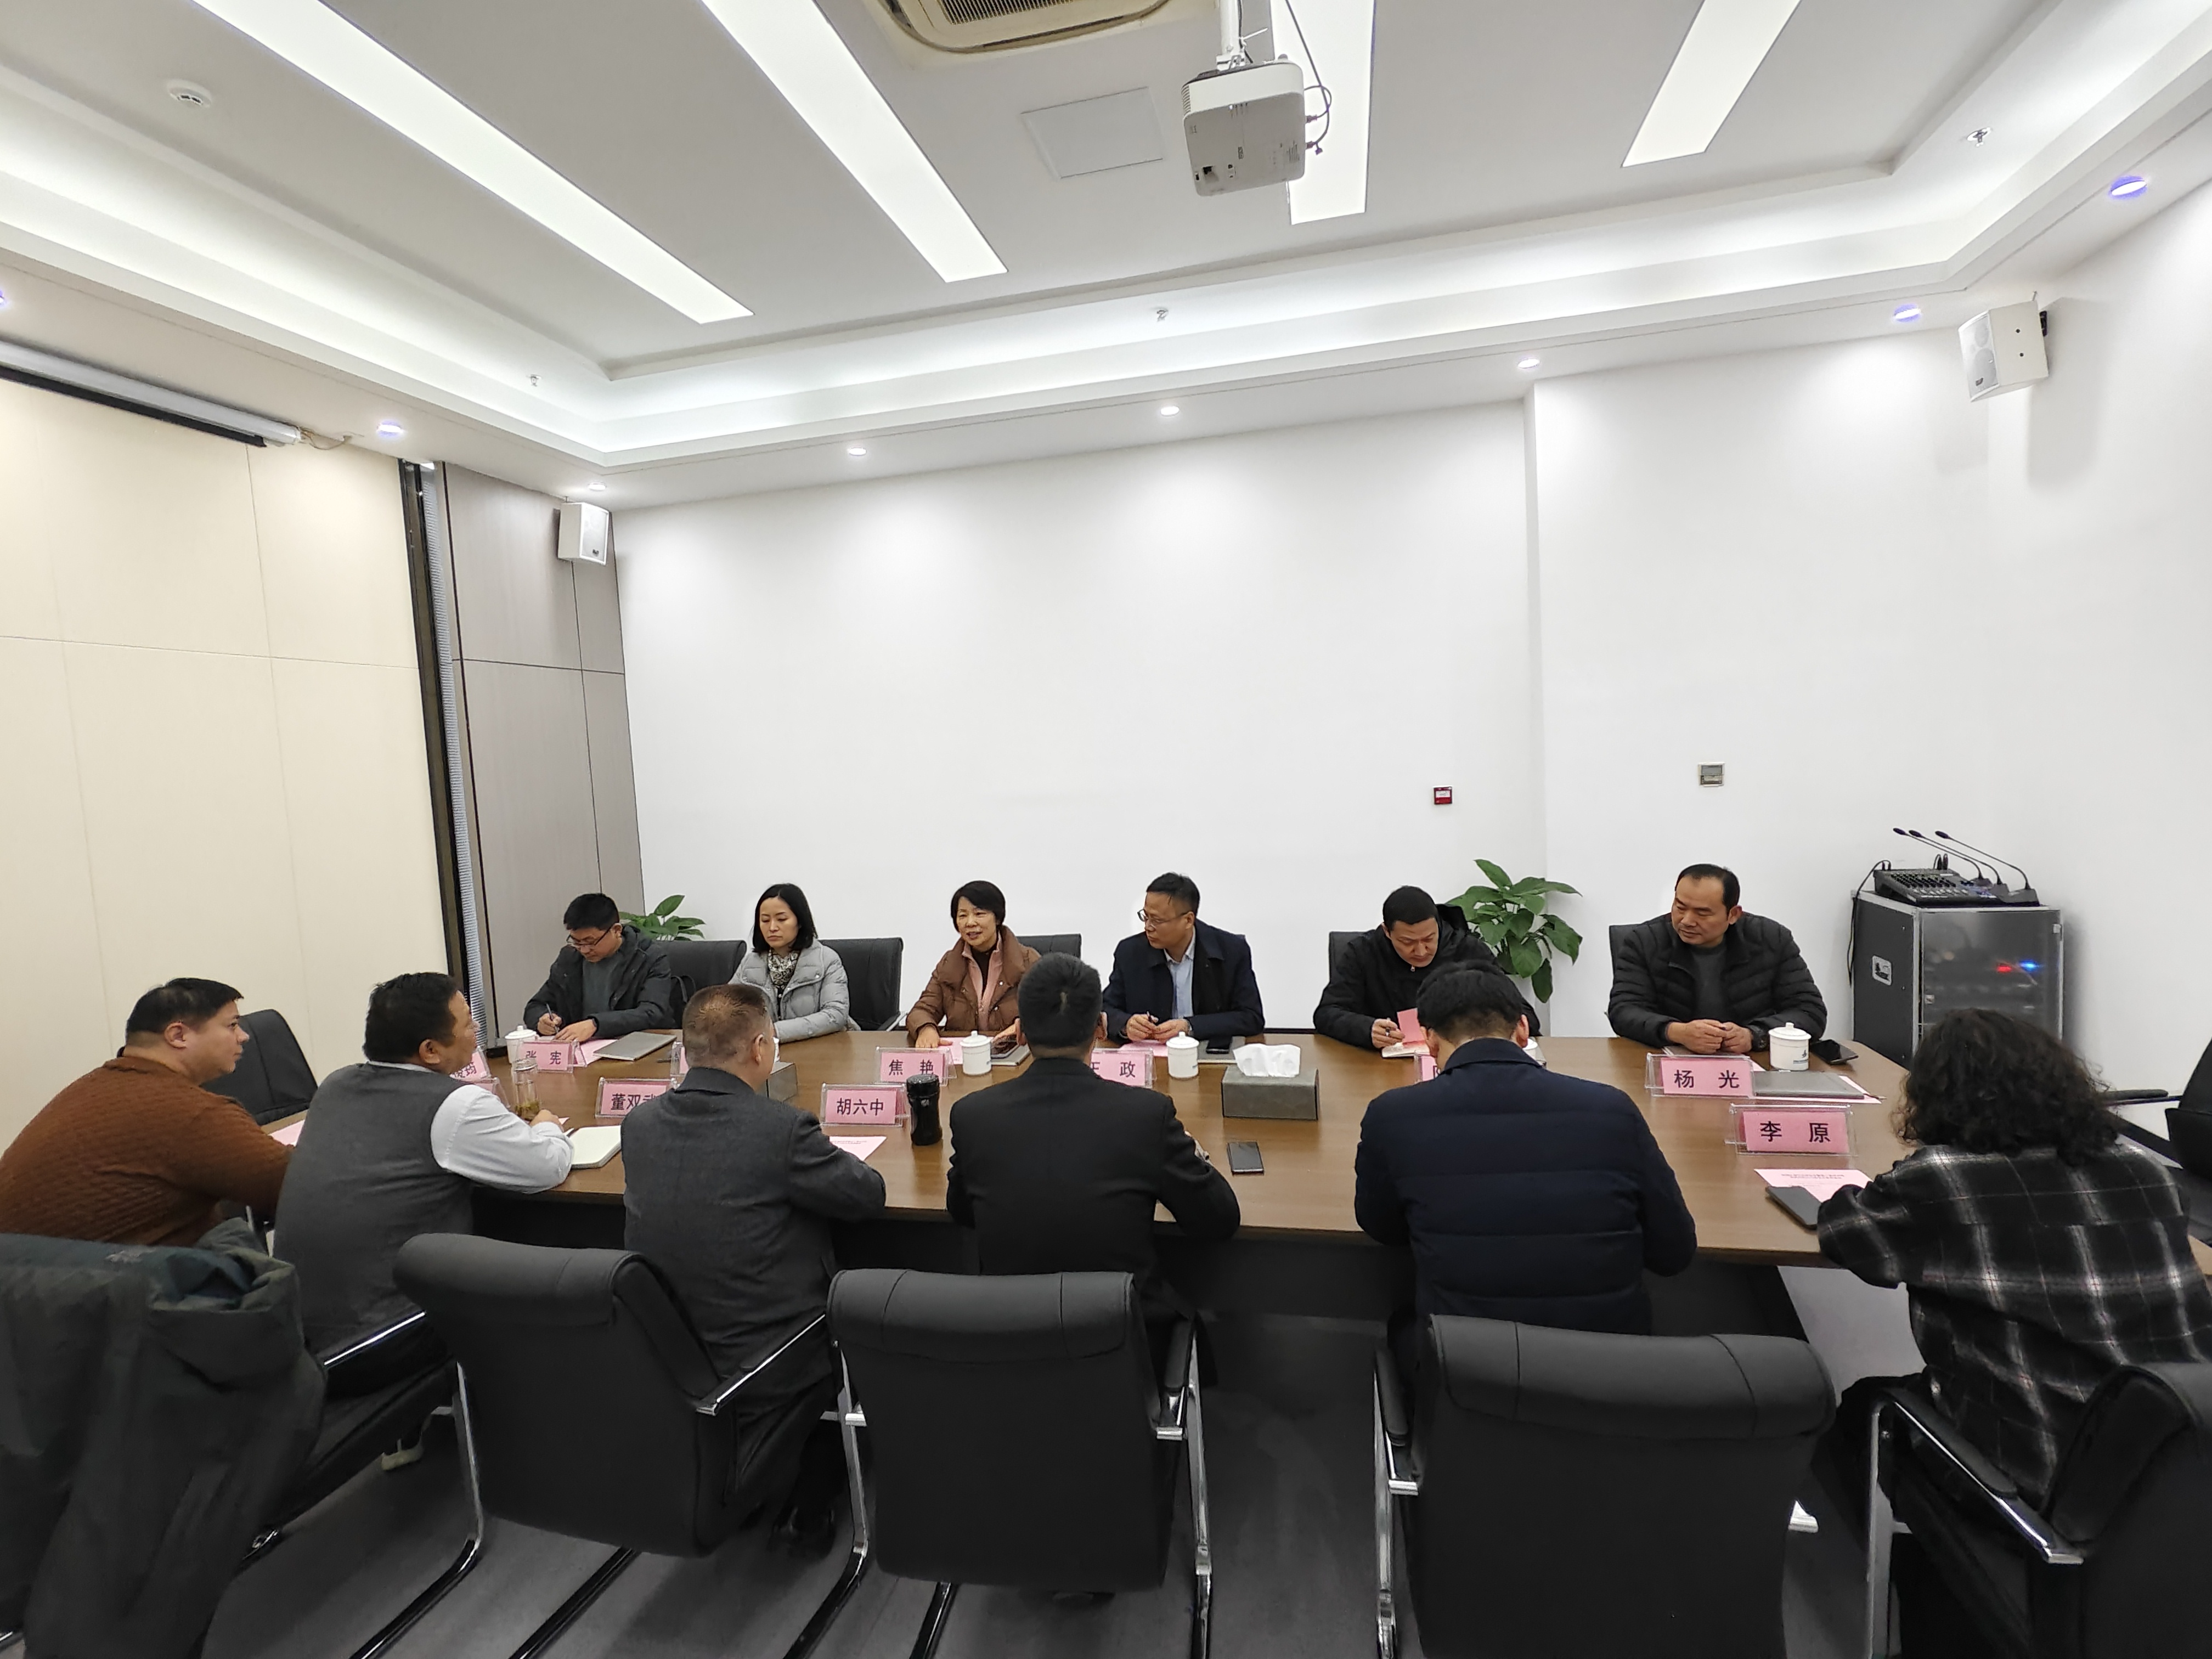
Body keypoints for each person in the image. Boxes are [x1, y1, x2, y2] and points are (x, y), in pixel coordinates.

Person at [1820, 1009, 2212, 1508]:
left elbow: (1847, 1236)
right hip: (2181, 1452)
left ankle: (1932, 1556)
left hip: (2045, 1475)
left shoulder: (1947, 1180)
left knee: (1859, 1409)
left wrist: (1892, 1177)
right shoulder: (2146, 1171)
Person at [623, 983, 885, 1551]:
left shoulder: (639, 1125)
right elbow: (868, 1195)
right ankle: (813, 1492)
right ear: (762, 1048)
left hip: (669, 1350)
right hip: (774, 1354)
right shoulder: (781, 1130)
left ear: (686, 1051)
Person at [1355, 968, 1696, 1360]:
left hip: (1469, 1369)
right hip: (1610, 1369)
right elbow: (1673, 1252)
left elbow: (1383, 1228)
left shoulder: (1393, 1115)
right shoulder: (1611, 1109)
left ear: (1429, 1041)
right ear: (1522, 1029)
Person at [946, 953, 1240, 1367]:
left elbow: (961, 1211)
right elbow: (1219, 1219)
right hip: (1123, 1350)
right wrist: (1191, 1150)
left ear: (1021, 1032)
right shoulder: (1145, 1115)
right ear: (1100, 1028)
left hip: (1012, 1349)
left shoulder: (973, 1116)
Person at [277, 973, 573, 1361]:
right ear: (430, 1050)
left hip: (296, 1333)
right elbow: (547, 1167)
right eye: (467, 1023)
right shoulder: (456, 1105)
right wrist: (547, 1125)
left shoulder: (336, 1085)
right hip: (385, 1338)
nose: (476, 1029)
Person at [0, 979, 289, 1248]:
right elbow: (296, 1187)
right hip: (96, 1280)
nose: (244, 1036)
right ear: (178, 1036)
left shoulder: (95, 1086)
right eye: (232, 1026)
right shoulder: (190, 1113)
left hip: (31, 1274)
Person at [1607, 863, 1825, 1055]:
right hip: (1670, 1061)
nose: (1687, 921)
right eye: (1680, 907)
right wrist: (1677, 1032)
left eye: (1702, 913)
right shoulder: (1645, 941)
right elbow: (1624, 1011)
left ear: (1733, 915)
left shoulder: (1771, 939)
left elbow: (1809, 1012)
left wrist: (1754, 1035)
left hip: (1752, 1065)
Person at [1314, 885, 1537, 1049]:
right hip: (1381, 1068)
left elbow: (1525, 1015)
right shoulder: (1362, 953)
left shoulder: (1467, 951)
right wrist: (1366, 1029)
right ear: (1387, 932)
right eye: (1408, 942)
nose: (1421, 951)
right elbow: (1327, 1013)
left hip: (1455, 1065)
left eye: (1429, 939)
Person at [1101, 873, 1265, 1043]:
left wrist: (1190, 1026)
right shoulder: (1130, 953)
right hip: (1152, 1053)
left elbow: (1251, 1018)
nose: (1148, 927)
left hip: (1207, 1053)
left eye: (1157, 920)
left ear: (1188, 920)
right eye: (1146, 917)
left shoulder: (1231, 951)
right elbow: (1104, 1009)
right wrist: (1125, 1024)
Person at [523, 893, 676, 1041]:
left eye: (590, 942)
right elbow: (536, 1005)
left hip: (636, 1045)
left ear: (616, 930)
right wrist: (542, 1020)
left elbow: (651, 1012)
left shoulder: (649, 957)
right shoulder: (569, 959)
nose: (584, 950)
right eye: (577, 942)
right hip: (583, 1049)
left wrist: (596, 1025)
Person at [907, 880, 1038, 1051]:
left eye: (979, 914)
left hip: (1015, 1052)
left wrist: (1023, 1026)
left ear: (997, 918)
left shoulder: (1027, 961)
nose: (970, 923)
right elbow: (922, 1010)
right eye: (963, 915)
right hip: (965, 1056)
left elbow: (1051, 1010)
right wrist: (926, 1028)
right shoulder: (949, 964)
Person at [731, 883, 854, 1040]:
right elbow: (727, 1007)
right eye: (765, 920)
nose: (772, 927)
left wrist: (775, 1032)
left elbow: (836, 1014)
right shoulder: (750, 963)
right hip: (768, 1049)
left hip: (822, 1046)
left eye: (782, 919)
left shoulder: (827, 959)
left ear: (800, 921)